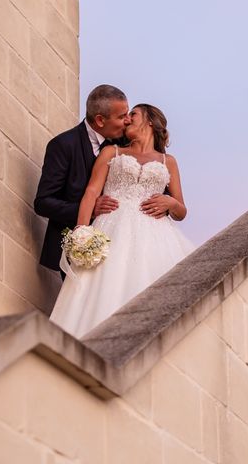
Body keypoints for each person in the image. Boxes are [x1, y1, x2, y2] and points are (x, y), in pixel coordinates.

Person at [49, 104, 194, 338]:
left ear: (149, 120)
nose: (127, 120)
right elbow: (91, 192)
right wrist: (81, 231)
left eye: (133, 114)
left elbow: (182, 210)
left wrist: (169, 204)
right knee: (102, 286)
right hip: (111, 228)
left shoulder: (169, 162)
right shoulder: (112, 153)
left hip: (155, 236)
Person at [34, 85, 130, 277]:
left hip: (122, 243)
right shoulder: (63, 145)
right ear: (100, 120)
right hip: (77, 252)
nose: (127, 121)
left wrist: (168, 202)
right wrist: (88, 209)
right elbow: (43, 203)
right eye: (121, 117)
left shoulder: (125, 143)